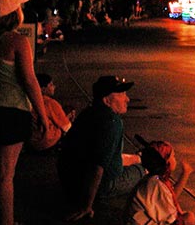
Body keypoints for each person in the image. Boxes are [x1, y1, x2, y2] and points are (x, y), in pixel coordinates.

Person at [0, 0, 49, 225]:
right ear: (14, 12)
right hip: (12, 115)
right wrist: (42, 115)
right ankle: (6, 222)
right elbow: (30, 81)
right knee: (4, 176)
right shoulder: (17, 42)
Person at [58, 75, 146, 220]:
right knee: (142, 170)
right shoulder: (112, 122)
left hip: (70, 182)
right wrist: (87, 206)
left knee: (133, 159)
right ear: (106, 100)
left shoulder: (88, 113)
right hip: (102, 184)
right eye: (121, 94)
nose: (127, 99)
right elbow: (97, 167)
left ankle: (139, 159)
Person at [124, 140, 195, 225]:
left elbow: (171, 197)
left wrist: (185, 173)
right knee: (189, 218)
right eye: (173, 156)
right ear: (166, 162)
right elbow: (174, 220)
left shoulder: (155, 179)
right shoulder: (156, 183)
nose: (175, 159)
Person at [28, 73, 76, 152]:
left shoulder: (29, 100)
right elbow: (66, 127)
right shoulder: (50, 103)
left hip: (31, 141)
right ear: (43, 89)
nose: (54, 87)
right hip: (47, 142)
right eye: (51, 85)